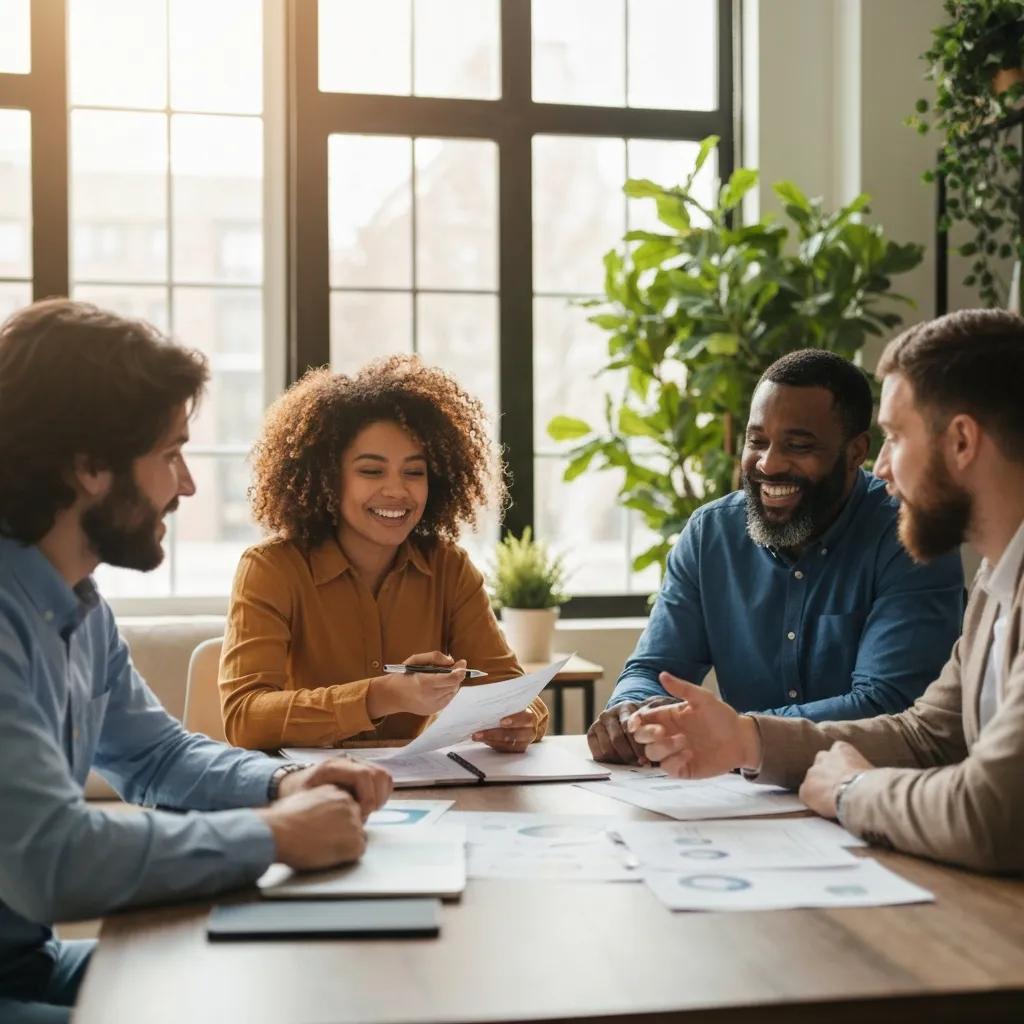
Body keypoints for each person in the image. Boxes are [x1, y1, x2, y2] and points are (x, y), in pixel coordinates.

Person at [0, 300, 393, 1023]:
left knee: (288, 987)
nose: (185, 486)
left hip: (29, 965)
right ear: (88, 465)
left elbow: (154, 757)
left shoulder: (78, 606)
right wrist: (275, 835)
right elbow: (52, 859)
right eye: (169, 454)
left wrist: (284, 781)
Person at [629, 309, 1024, 873]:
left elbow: (991, 812)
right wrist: (744, 740)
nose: (883, 469)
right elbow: (927, 736)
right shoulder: (997, 580)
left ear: (961, 441)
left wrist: (850, 789)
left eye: (895, 437)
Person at [589, 348, 965, 764]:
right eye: (757, 441)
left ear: (856, 451)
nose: (768, 464)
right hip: (745, 799)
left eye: (798, 445)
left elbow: (888, 705)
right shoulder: (710, 534)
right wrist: (630, 711)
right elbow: (652, 668)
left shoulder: (908, 533)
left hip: (875, 792)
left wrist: (738, 737)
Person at [220, 356, 549, 753]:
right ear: (327, 478)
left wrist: (522, 719)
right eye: (371, 471)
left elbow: (511, 690)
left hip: (418, 794)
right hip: (303, 791)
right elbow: (244, 718)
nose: (397, 491)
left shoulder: (450, 568)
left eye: (414, 472)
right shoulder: (271, 569)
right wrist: (381, 696)